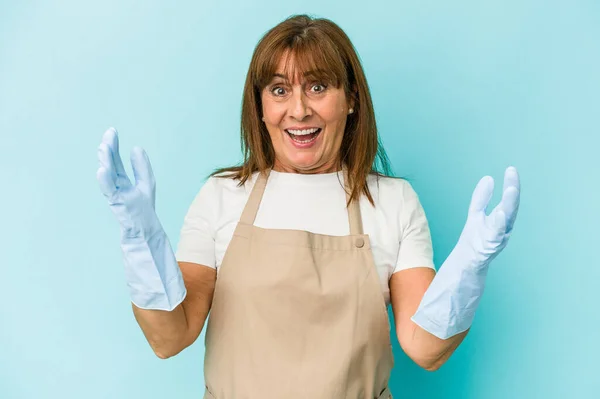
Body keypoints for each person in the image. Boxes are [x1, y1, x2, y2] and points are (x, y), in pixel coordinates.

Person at [96, 14, 521, 399]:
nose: (298, 110)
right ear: (260, 106)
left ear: (351, 99)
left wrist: (470, 267)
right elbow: (169, 337)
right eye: (279, 90)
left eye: (318, 87)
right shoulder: (222, 195)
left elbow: (426, 349)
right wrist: (141, 241)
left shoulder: (392, 202)